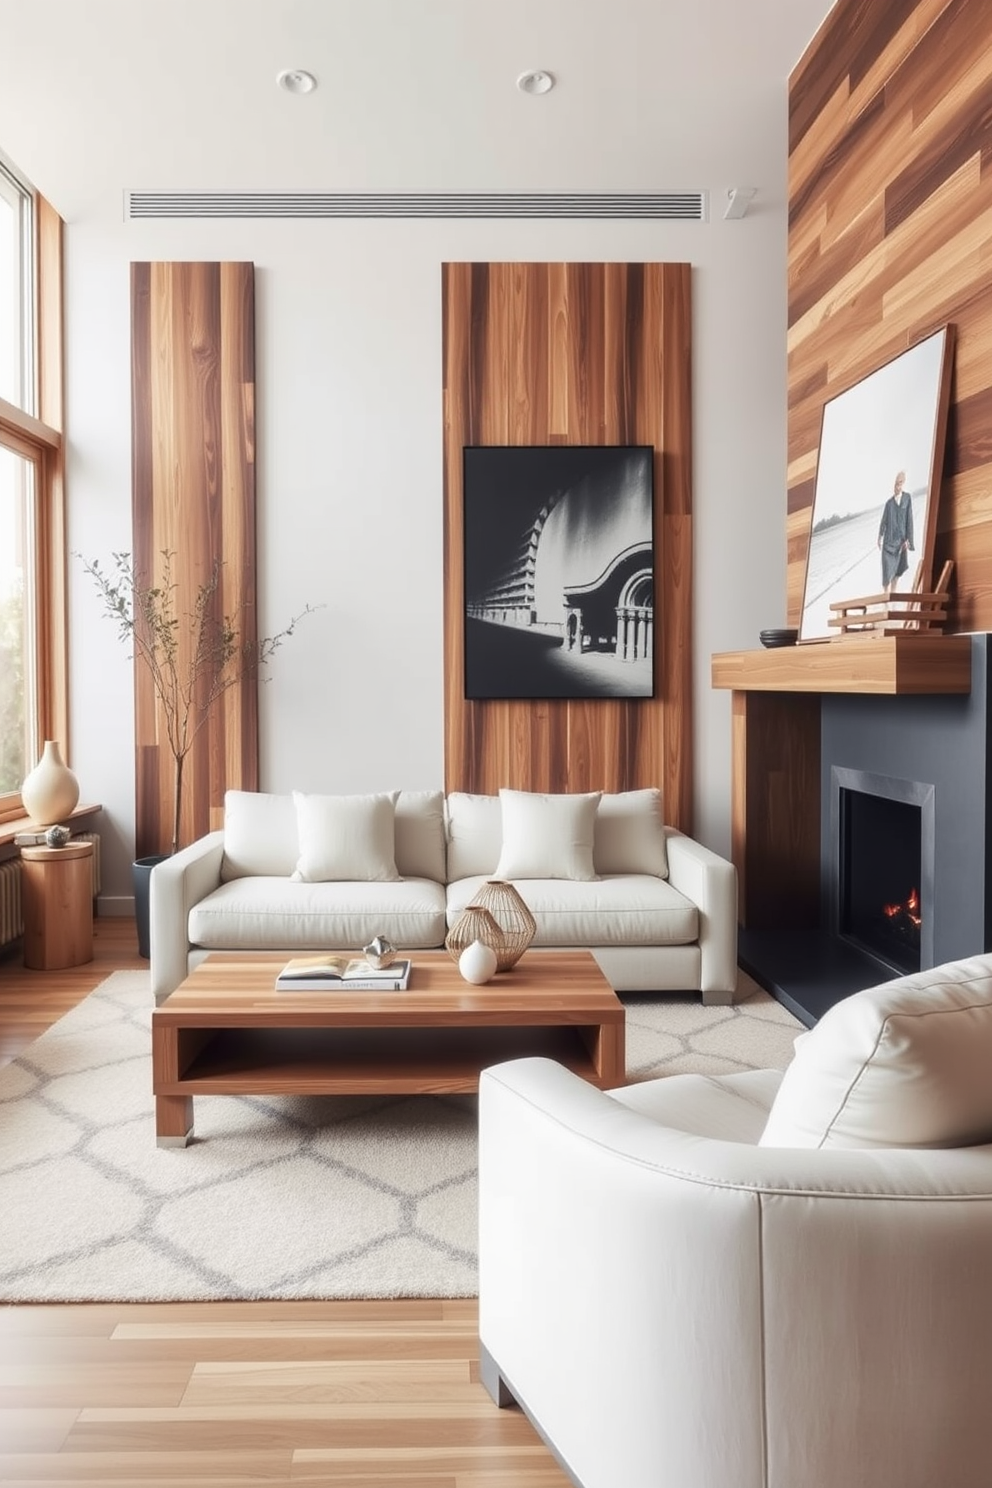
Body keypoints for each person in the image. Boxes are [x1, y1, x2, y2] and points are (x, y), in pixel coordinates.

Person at [877, 470, 914, 595]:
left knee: (897, 573)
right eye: (896, 483)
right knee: (887, 574)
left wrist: (910, 540)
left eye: (900, 482)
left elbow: (910, 520)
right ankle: (886, 599)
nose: (897, 486)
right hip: (888, 544)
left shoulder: (907, 498)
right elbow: (883, 521)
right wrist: (879, 537)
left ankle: (892, 597)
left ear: (903, 483)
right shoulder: (888, 504)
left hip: (901, 543)